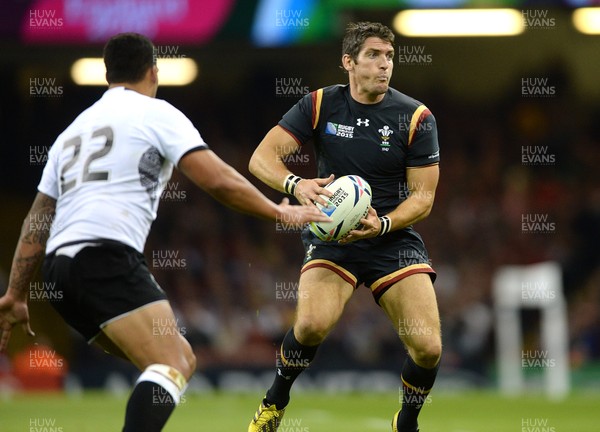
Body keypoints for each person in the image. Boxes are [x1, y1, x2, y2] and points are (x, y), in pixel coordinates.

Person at [0, 32, 329, 432]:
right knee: (174, 362)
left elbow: (36, 218)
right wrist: (277, 210)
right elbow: (218, 180)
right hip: (104, 256)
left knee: (165, 362)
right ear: (154, 72)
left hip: (59, 271)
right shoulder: (156, 113)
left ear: (108, 75)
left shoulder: (71, 132)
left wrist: (16, 293)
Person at [247, 22, 441, 432]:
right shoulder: (319, 105)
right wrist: (295, 184)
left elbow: (423, 198)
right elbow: (261, 159)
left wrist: (383, 223)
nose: (384, 64)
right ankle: (274, 401)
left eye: (389, 56)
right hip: (332, 236)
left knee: (428, 348)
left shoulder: (417, 116)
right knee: (312, 325)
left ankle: (406, 421)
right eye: (373, 55)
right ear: (348, 62)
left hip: (391, 237)